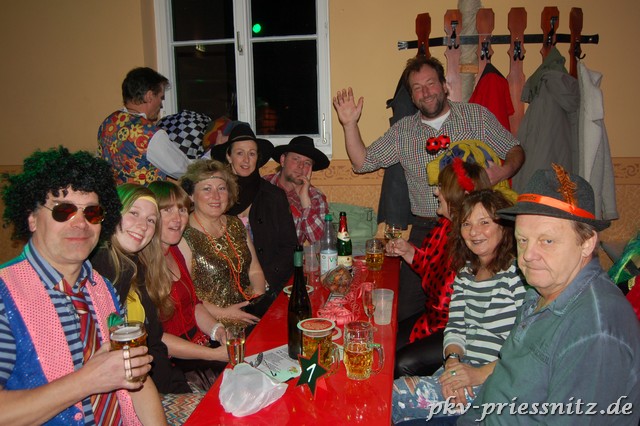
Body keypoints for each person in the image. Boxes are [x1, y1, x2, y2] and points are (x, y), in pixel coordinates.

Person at [333, 55, 525, 323]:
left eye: (431, 83)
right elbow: (362, 162)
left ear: (444, 85)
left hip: (475, 230)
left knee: (469, 310)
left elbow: (515, 149)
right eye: (417, 88)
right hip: (426, 230)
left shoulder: (476, 117)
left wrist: (502, 172)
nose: (426, 92)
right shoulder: (402, 131)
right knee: (406, 312)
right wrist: (349, 125)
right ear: (412, 97)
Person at [456, 165, 640, 425]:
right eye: (523, 240)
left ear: (587, 243)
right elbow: (501, 380)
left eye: (547, 241)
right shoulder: (538, 290)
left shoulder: (595, 332)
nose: (528, 255)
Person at [0, 147, 166, 425]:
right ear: (32, 218)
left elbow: (134, 376)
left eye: (92, 213)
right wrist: (87, 381)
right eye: (63, 211)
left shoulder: (101, 288)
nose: (80, 223)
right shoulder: (5, 294)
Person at [392, 189, 526, 424]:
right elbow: (455, 327)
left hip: (498, 379)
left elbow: (528, 346)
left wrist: (477, 374)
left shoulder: (517, 275)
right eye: (466, 224)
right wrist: (452, 362)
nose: (474, 231)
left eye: (484, 222)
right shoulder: (465, 273)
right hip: (461, 369)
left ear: (504, 226)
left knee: (393, 398)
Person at [388, 159, 492, 379]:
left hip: (459, 329)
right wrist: (408, 251)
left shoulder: (475, 239)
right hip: (433, 319)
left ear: (457, 196)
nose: (436, 192)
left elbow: (454, 301)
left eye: (441, 187)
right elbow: (429, 266)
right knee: (386, 340)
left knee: (402, 363)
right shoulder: (444, 225)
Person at [148, 180, 229, 388]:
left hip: (198, 348)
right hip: (170, 363)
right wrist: (213, 355)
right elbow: (156, 338)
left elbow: (194, 305)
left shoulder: (175, 251)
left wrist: (218, 330)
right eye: (167, 210)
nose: (177, 218)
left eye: (182, 210)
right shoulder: (142, 266)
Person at [211, 123, 298, 298]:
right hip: (225, 289)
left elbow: (290, 247)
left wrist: (264, 281)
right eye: (239, 153)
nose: (246, 160)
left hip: (269, 288)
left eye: (251, 153)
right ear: (229, 156)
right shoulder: (216, 198)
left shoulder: (274, 196)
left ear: (257, 158)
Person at [178, 159, 267, 323]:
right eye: (207, 189)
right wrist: (225, 314)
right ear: (191, 195)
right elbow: (187, 297)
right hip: (211, 325)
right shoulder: (183, 235)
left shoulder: (236, 224)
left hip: (250, 316)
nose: (216, 196)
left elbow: (255, 270)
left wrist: (258, 298)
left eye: (221, 188)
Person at [98, 67, 192, 185]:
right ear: (149, 96)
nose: (161, 105)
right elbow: (184, 170)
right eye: (160, 97)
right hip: (145, 196)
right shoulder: (149, 134)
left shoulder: (108, 123)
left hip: (116, 195)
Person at [263, 135, 330, 244]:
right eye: (296, 159)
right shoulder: (262, 185)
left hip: (292, 253)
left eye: (307, 163)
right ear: (283, 160)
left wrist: (305, 201)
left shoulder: (315, 197)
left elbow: (323, 242)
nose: (301, 166)